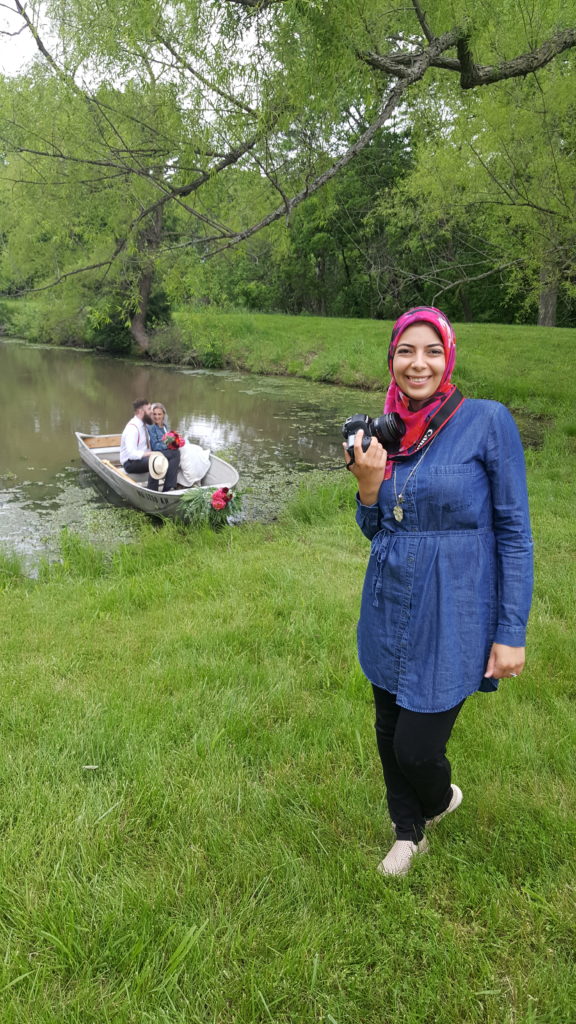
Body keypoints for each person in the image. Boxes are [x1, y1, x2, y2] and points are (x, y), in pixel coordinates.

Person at [344, 306, 533, 877]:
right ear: (392, 359)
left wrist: (510, 632)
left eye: (430, 350)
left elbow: (515, 533)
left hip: (454, 607)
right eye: (406, 351)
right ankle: (408, 833)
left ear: (447, 356)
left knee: (417, 747)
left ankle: (438, 798)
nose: (417, 363)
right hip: (388, 599)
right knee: (387, 723)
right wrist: (368, 486)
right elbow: (376, 530)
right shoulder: (383, 432)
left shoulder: (486, 421)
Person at [120, 398, 179, 492]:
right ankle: (153, 491)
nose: (152, 412)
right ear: (140, 411)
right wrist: (150, 454)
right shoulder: (133, 429)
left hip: (142, 459)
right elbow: (131, 454)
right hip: (130, 463)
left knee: (173, 453)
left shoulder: (143, 425)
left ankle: (168, 488)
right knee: (155, 460)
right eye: (149, 410)